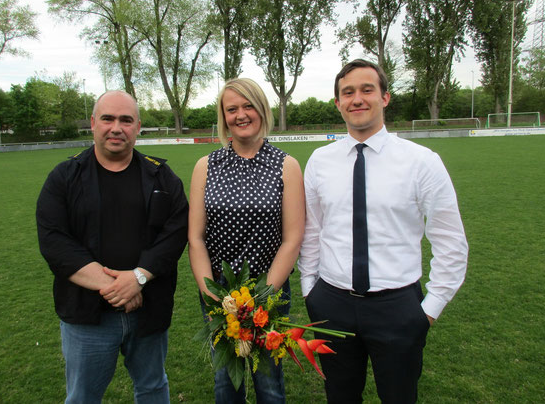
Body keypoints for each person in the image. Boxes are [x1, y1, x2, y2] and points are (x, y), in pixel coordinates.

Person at [298, 59, 468, 403]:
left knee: (399, 397)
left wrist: (429, 308)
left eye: (366, 90)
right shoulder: (319, 160)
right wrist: (310, 291)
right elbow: (312, 232)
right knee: (340, 397)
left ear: (385, 98)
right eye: (348, 93)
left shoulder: (422, 161)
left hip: (398, 307)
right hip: (332, 304)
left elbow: (450, 241)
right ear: (338, 103)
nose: (357, 99)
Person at [36, 90, 188, 404]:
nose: (116, 127)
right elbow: (54, 242)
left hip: (149, 310)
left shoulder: (162, 176)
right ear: (93, 123)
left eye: (125, 120)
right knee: (83, 396)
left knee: (152, 387)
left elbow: (175, 234)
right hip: (86, 316)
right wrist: (118, 286)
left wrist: (139, 278)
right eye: (107, 118)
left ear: (138, 127)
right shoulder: (65, 177)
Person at [188, 78, 305, 403]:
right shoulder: (206, 166)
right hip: (220, 295)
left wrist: (261, 296)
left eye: (248, 105)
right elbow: (195, 239)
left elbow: (292, 240)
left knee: (269, 384)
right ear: (223, 116)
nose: (241, 114)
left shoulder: (286, 166)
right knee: (227, 384)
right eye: (231, 109)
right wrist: (212, 294)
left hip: (269, 295)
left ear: (262, 109)